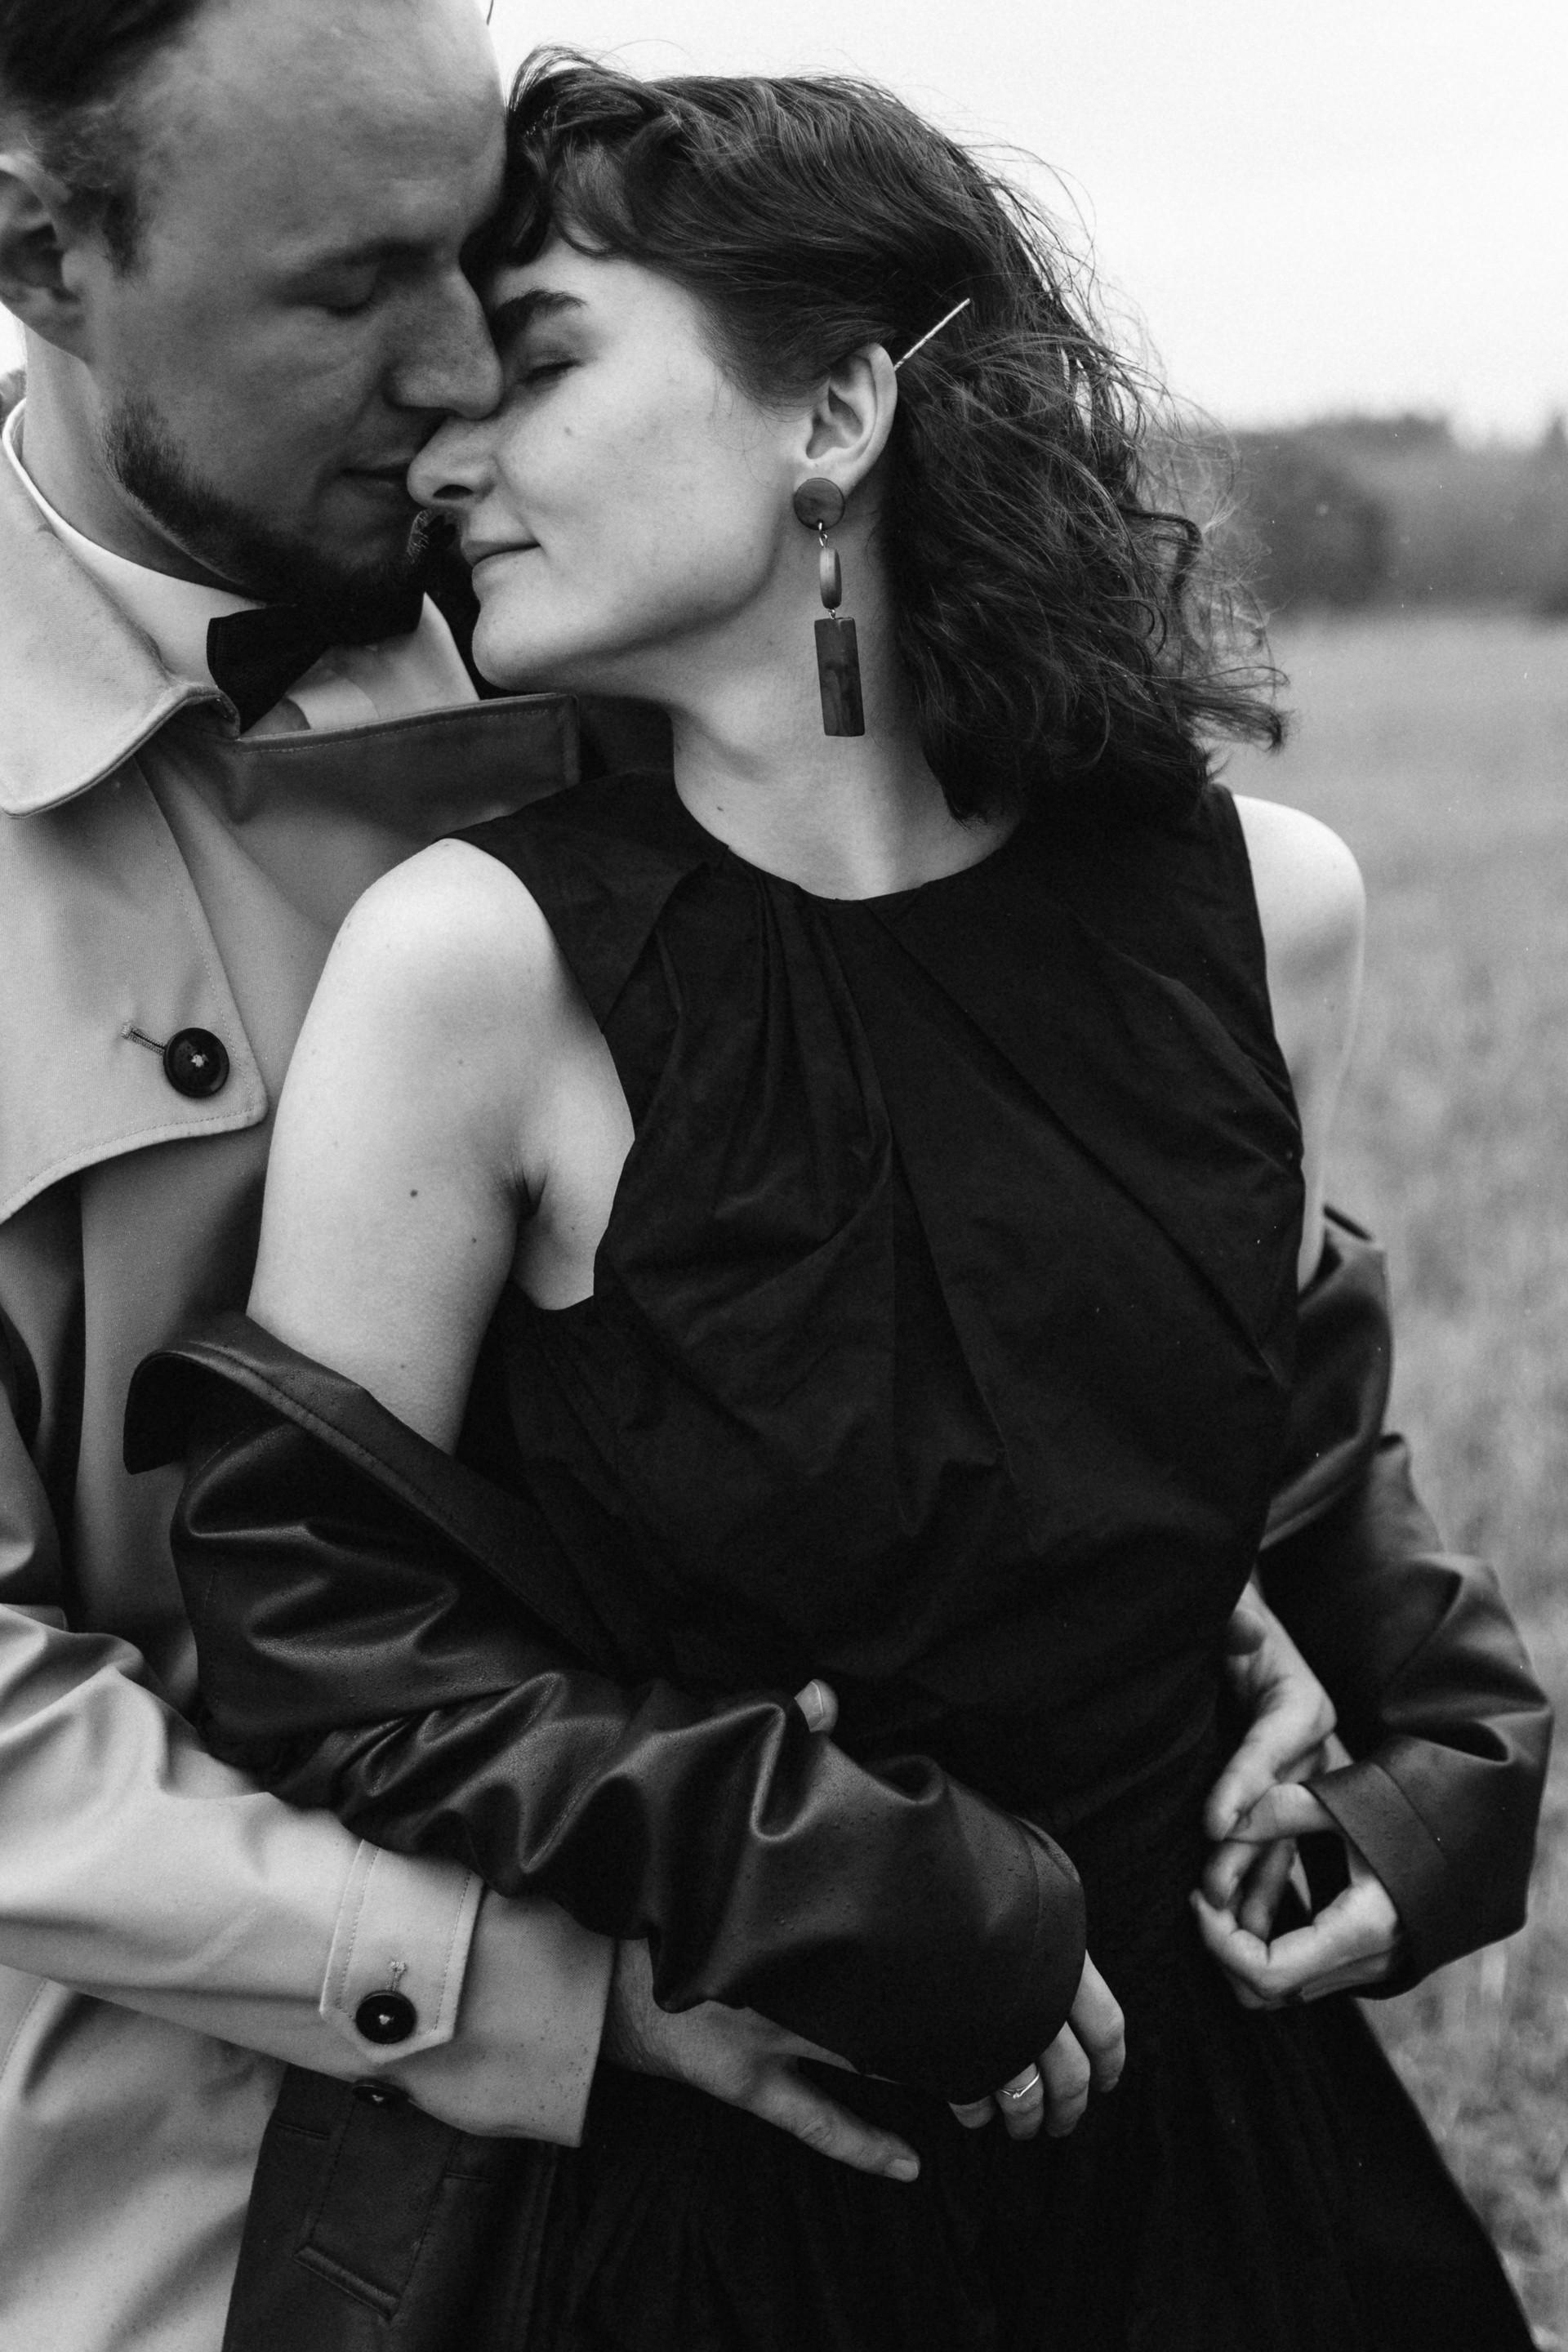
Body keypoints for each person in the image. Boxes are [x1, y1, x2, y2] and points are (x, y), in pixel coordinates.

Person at [133, 56, 1551, 2352]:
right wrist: (818, 1866)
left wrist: (1446, 1759)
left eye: (540, 363)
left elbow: (1271, 1433)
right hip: (753, 2184)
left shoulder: (1263, 909)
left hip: (1230, 2160)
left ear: (837, 411)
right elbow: (311, 1617)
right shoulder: (477, 968)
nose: (449, 457)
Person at [0, 6, 1032, 2345]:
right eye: (352, 289)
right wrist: (537, 1982)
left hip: (860, 2111)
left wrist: (1263, 1564)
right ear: (43, 255)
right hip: (207, 2223)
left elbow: (1024, 1086)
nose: (466, 375)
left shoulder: (626, 576)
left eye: (476, 257)